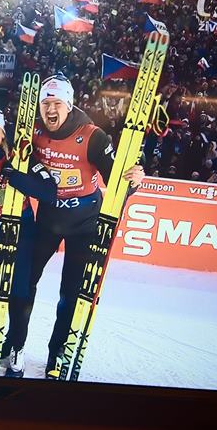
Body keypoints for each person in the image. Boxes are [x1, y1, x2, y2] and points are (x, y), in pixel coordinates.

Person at [24, 73, 145, 378]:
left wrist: (134, 181)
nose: (50, 109)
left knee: (71, 293)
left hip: (84, 223)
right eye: (45, 103)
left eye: (57, 103)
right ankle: (14, 344)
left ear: (69, 105)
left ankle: (57, 354)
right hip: (48, 219)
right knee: (24, 280)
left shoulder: (93, 136)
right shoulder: (33, 131)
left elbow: (118, 182)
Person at [0, 107, 57, 377]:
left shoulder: (21, 157)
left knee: (18, 291)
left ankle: (16, 346)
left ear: (3, 133)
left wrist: (17, 177)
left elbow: (50, 192)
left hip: (20, 228)